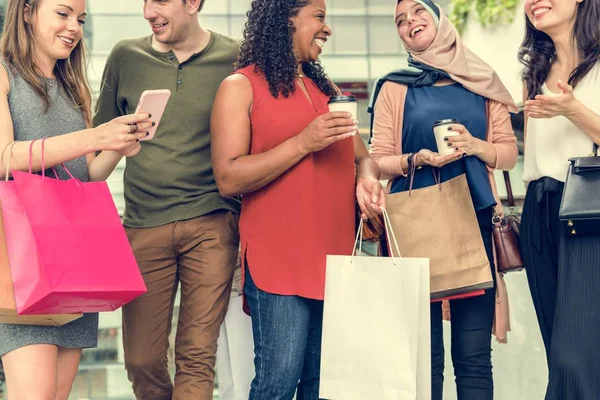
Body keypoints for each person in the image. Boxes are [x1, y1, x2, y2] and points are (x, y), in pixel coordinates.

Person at [210, 0, 385, 398]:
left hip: (336, 257)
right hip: (279, 258)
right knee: (279, 381)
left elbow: (364, 158)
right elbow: (228, 176)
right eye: (320, 17)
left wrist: (367, 181)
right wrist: (304, 142)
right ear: (287, 18)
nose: (328, 29)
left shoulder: (328, 91)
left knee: (323, 383)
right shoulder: (240, 86)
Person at [0, 0, 152, 399]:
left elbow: (88, 174)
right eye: (63, 14)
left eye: (80, 19)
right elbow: (3, 158)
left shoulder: (73, 87)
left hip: (72, 267)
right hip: (22, 265)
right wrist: (95, 136)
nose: (74, 28)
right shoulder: (3, 75)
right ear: (28, 11)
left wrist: (118, 145)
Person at [370, 1, 518, 398]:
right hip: (413, 228)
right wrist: (415, 159)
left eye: (418, 11)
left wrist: (474, 146)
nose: (409, 22)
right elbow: (377, 160)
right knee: (424, 360)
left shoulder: (482, 80)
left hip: (473, 224)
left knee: (473, 360)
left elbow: (508, 153)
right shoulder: (393, 87)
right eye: (400, 20)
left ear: (440, 19)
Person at [92, 0, 240, 398]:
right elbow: (96, 144)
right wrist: (123, 136)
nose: (147, 11)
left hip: (212, 222)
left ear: (192, 3)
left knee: (196, 355)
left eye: (159, 1)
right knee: (141, 360)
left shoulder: (236, 58)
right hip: (142, 224)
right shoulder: (126, 56)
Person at [519, 0, 600, 397]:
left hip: (587, 211)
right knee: (558, 351)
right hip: (538, 208)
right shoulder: (535, 73)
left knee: (577, 354)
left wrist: (572, 109)